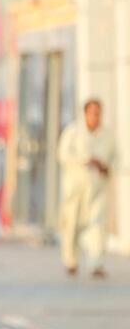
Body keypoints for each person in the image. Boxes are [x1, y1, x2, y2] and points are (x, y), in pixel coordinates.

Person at [58, 99, 115, 278]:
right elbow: (62, 155)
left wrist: (106, 167)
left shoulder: (108, 134)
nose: (95, 116)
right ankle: (71, 261)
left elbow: (116, 158)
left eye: (98, 112)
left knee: (98, 225)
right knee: (71, 224)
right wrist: (86, 160)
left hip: (98, 187)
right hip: (75, 187)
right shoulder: (73, 131)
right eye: (92, 112)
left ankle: (96, 263)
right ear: (85, 113)